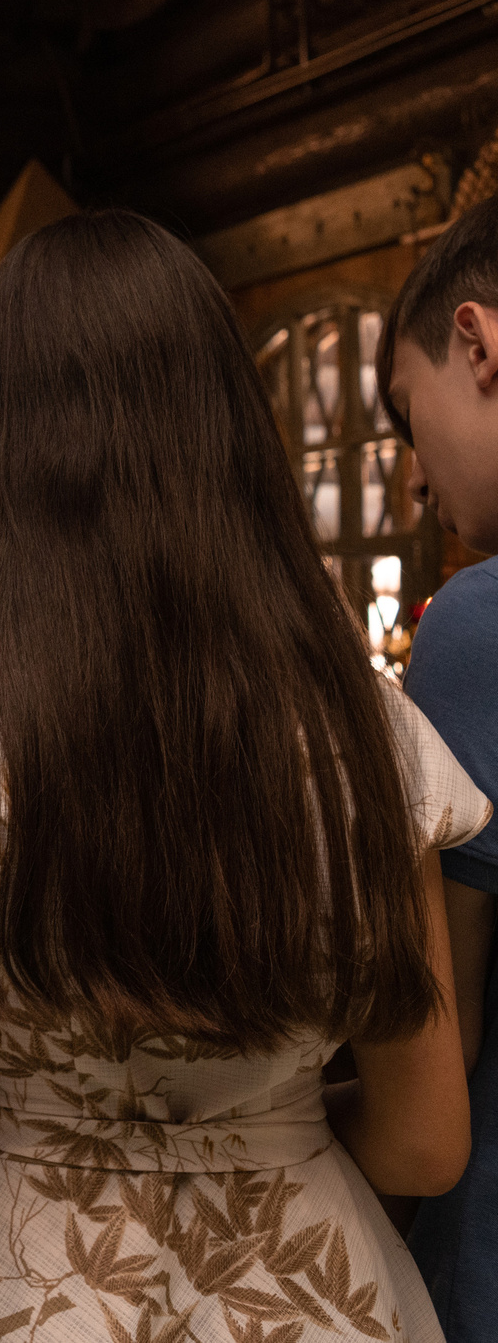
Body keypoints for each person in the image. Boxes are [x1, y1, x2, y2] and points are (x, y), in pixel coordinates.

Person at [0, 210, 484, 1337]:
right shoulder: (366, 736)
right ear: (231, 431)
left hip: (26, 1290)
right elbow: (426, 1142)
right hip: (314, 1288)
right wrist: (270, 1139)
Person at [381, 200, 498, 1341]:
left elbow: (435, 1042)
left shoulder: (475, 625)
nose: (420, 483)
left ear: (478, 345)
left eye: (413, 420)